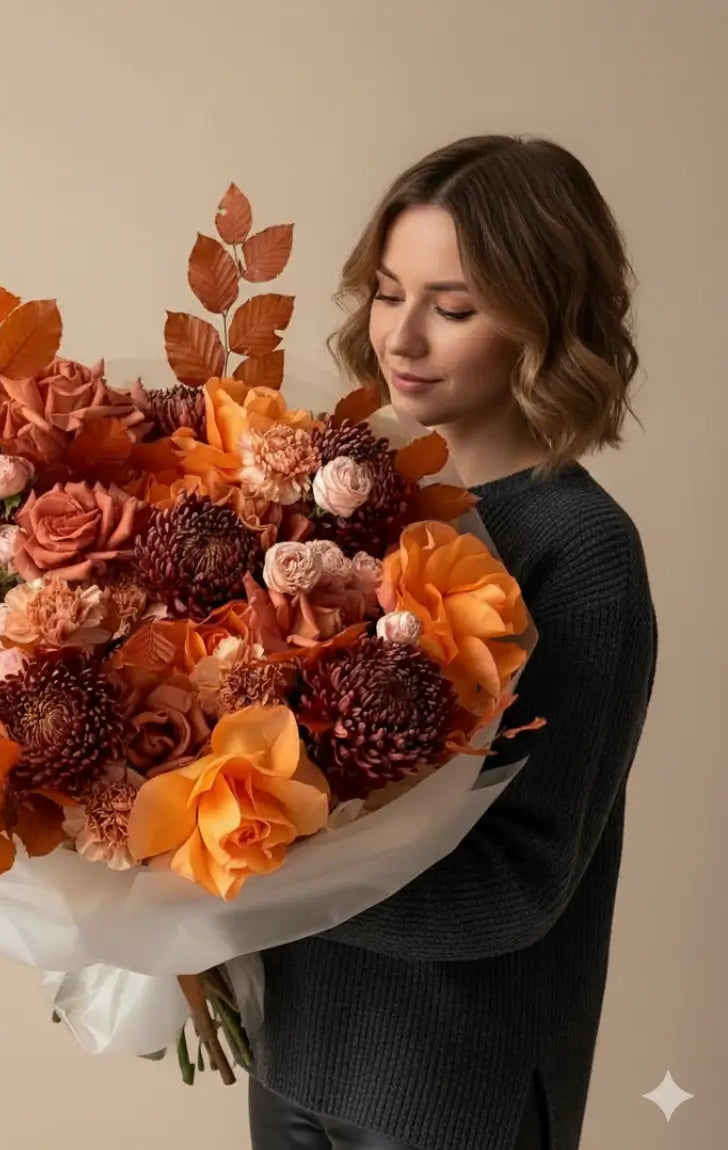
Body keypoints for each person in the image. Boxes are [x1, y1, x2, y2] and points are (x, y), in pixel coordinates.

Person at [246, 135, 659, 1149]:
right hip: (291, 1055)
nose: (404, 336)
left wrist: (240, 876)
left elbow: (515, 891)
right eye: (388, 293)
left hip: (447, 1095)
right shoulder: (344, 504)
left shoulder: (582, 551)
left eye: (455, 307)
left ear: (543, 317)